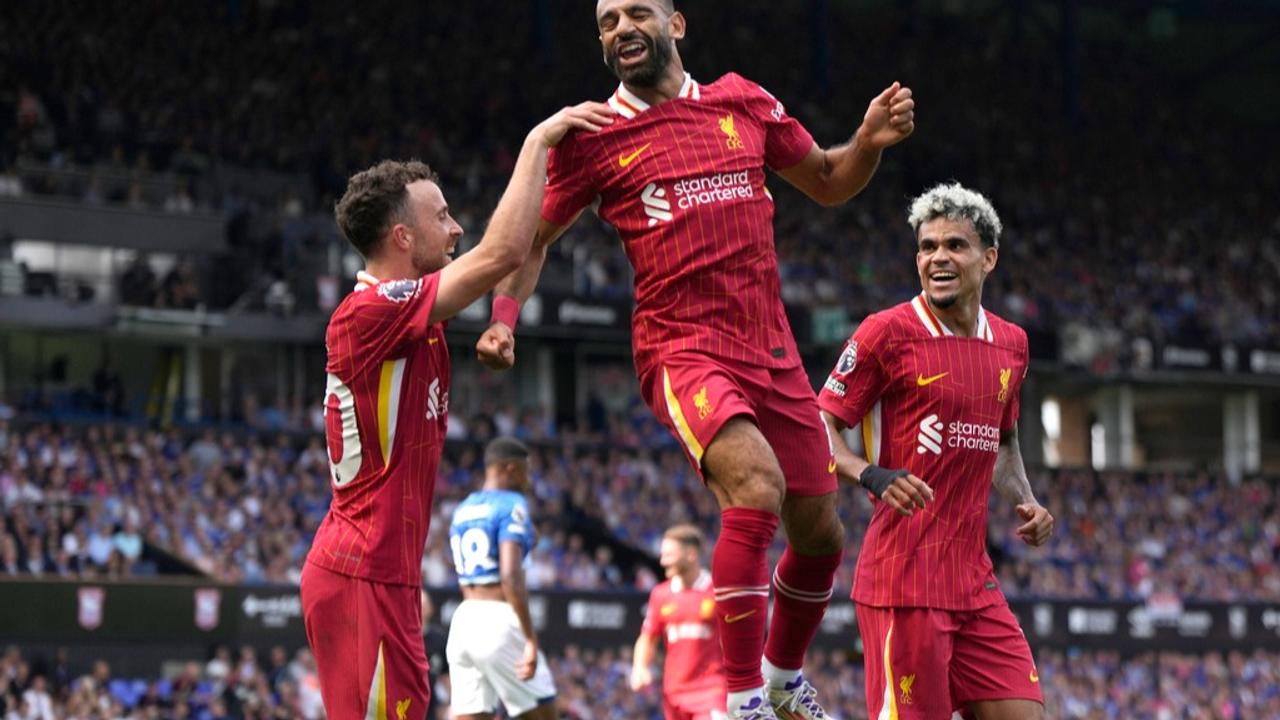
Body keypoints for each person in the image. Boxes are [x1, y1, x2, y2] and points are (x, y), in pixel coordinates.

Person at [475, 2, 914, 717]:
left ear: (676, 24)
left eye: (636, 13)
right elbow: (533, 239)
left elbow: (831, 180)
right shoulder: (594, 137)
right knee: (756, 486)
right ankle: (742, 699)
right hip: (683, 349)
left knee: (822, 535)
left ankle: (779, 677)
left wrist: (867, 141)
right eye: (607, 20)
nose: (620, 29)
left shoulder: (743, 102)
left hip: (772, 351)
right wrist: (502, 318)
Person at [300, 102, 613, 720]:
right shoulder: (371, 314)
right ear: (402, 238)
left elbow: (527, 247)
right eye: (441, 215)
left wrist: (503, 320)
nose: (456, 228)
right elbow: (502, 251)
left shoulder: (411, 314)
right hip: (362, 572)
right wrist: (538, 141)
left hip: (383, 573)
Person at [816, 183, 1055, 720]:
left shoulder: (1012, 343)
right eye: (927, 246)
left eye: (955, 245)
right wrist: (868, 473)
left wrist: (1028, 499)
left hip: (976, 583)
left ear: (988, 258)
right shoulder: (886, 333)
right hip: (905, 582)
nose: (938, 257)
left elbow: (1003, 439)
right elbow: (819, 424)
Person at [445, 437, 556, 720]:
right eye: (525, 470)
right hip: (498, 620)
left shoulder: (463, 508)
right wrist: (530, 638)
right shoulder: (512, 503)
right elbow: (509, 574)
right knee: (543, 714)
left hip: (464, 620)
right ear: (509, 469)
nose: (528, 479)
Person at [630, 524, 727, 720]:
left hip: (711, 690)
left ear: (691, 554)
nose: (663, 561)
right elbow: (648, 637)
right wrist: (640, 667)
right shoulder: (661, 594)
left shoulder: (718, 591)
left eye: (669, 555)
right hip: (673, 693)